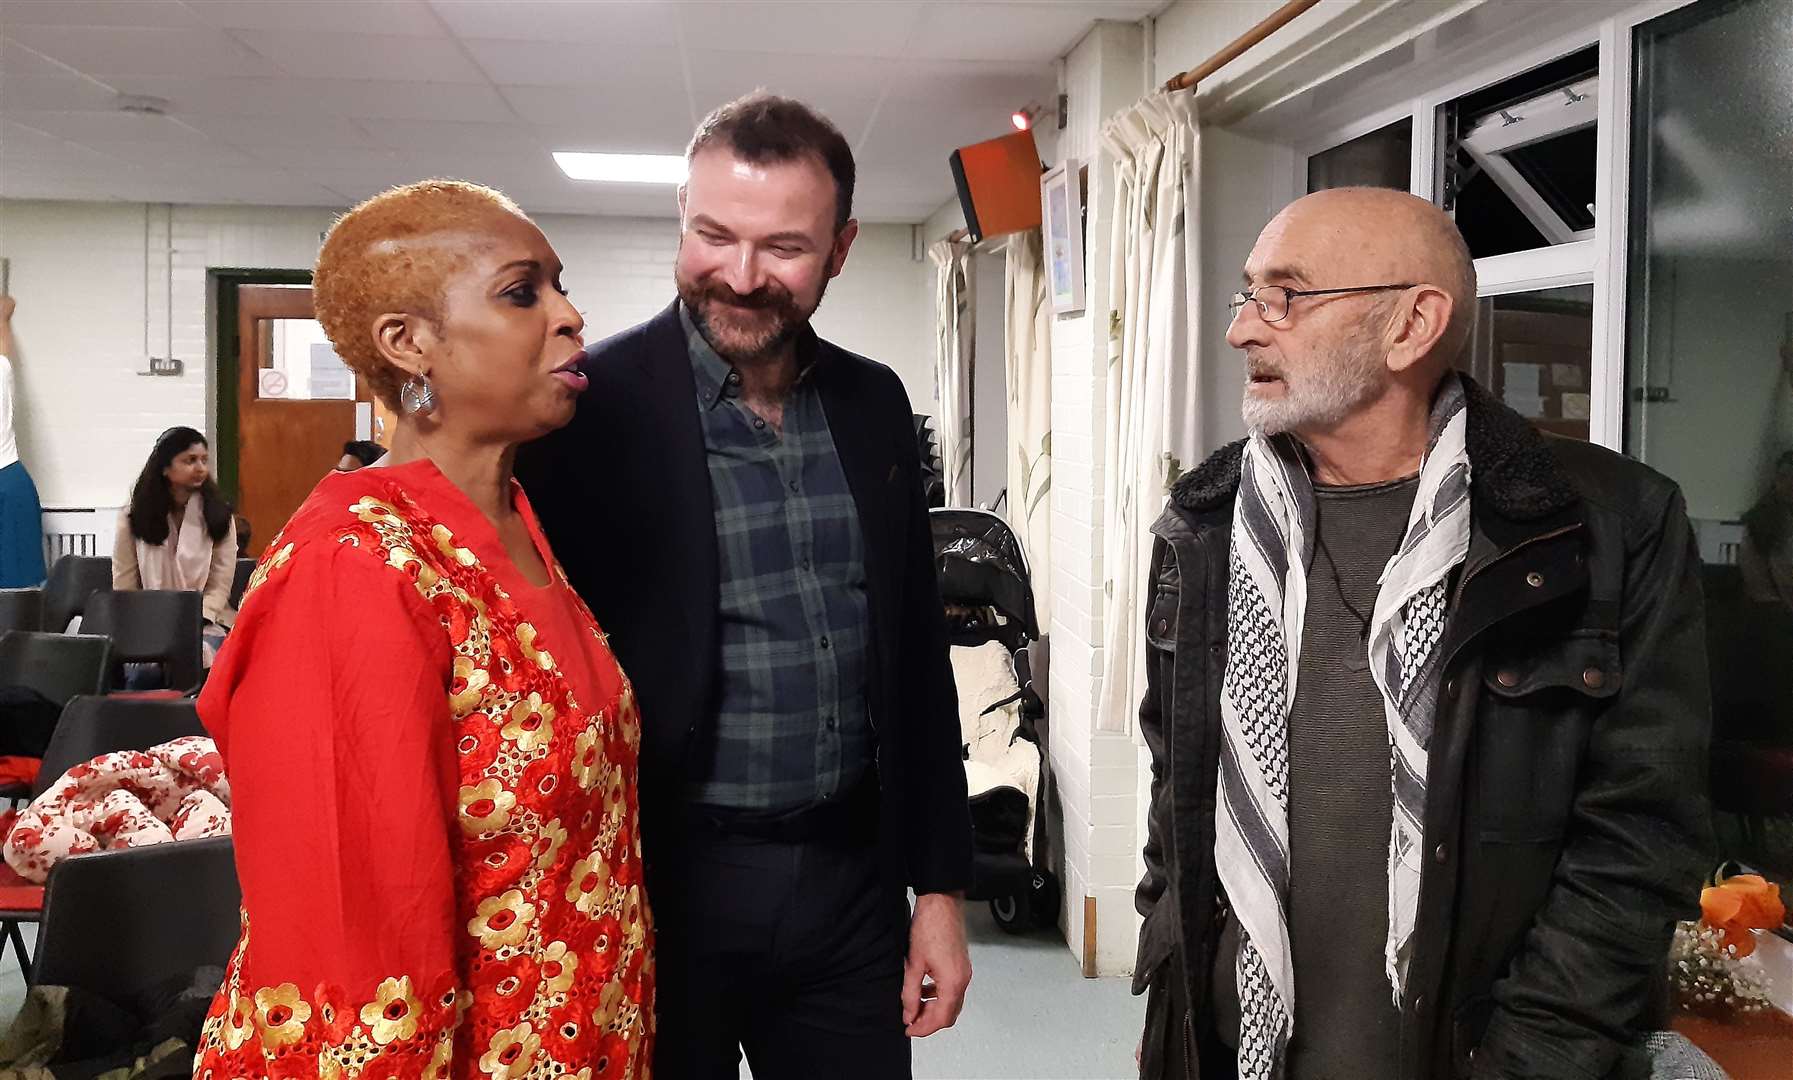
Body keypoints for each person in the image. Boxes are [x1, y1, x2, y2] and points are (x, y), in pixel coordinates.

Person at [1132, 187, 1711, 1080]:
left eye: (1284, 294)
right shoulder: (1203, 528)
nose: (1242, 330)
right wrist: (1168, 952)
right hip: (1230, 1051)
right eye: (1247, 295)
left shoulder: (1601, 528)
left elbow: (1638, 840)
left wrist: (1533, 1061)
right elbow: (1177, 783)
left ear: (1411, 324)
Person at [517, 92, 972, 1080]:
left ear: (841, 248)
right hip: (657, 880)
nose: (741, 274)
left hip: (847, 884)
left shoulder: (872, 403)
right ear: (680, 221)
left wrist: (937, 888)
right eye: (711, 235)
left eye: (784, 247)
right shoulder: (584, 415)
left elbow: (913, 662)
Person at [192, 180, 652, 1077]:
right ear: (409, 344)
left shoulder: (516, 525)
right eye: (524, 292)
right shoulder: (354, 568)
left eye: (560, 286)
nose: (569, 315)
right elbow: (353, 932)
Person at [113, 427, 238, 663]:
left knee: (196, 656)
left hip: (206, 622)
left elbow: (219, 587)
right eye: (190, 460)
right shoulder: (133, 516)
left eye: (204, 460)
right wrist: (152, 621)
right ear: (165, 467)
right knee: (143, 671)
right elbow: (125, 584)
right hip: (148, 621)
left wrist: (192, 618)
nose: (201, 468)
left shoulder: (220, 516)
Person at [0, 294, 47, 588]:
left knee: (20, 596)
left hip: (8, 485)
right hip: (10, 483)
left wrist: (4, 320)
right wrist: (4, 318)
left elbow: (4, 358)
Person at [1740, 450, 1793, 609]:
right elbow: (1759, 584)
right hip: (1771, 610)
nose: (1789, 483)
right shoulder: (1762, 520)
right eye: (1783, 477)